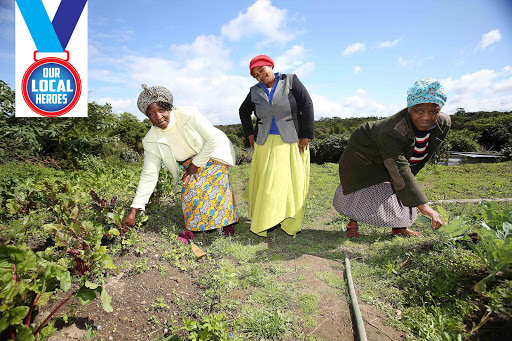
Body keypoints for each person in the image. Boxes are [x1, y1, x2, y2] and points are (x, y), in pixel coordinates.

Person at [333, 78, 450, 237]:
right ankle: (353, 222)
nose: (426, 117)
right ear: (409, 109)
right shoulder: (392, 130)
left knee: (400, 184)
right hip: (365, 150)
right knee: (362, 184)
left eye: (433, 112)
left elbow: (418, 159)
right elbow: (398, 167)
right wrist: (423, 206)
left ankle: (399, 227)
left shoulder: (443, 123)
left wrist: (411, 178)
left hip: (394, 153)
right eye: (419, 111)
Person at [122, 84, 238, 241]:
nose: (158, 117)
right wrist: (134, 210)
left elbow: (212, 140)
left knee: (214, 186)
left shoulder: (188, 114)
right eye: (151, 114)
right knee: (190, 189)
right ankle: (193, 228)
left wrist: (194, 166)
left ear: (169, 108)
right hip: (191, 161)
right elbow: (149, 174)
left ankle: (226, 223)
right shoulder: (150, 140)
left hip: (215, 150)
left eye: (161, 110)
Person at [239, 55, 314, 237]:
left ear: (270, 66)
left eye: (262, 70)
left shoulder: (291, 81)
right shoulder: (254, 91)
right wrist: (250, 133)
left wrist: (305, 134)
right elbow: (243, 111)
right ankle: (268, 220)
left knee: (286, 183)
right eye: (256, 75)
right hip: (264, 142)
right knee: (268, 182)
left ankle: (287, 221)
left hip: (290, 140)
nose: (260, 76)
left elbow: (307, 104)